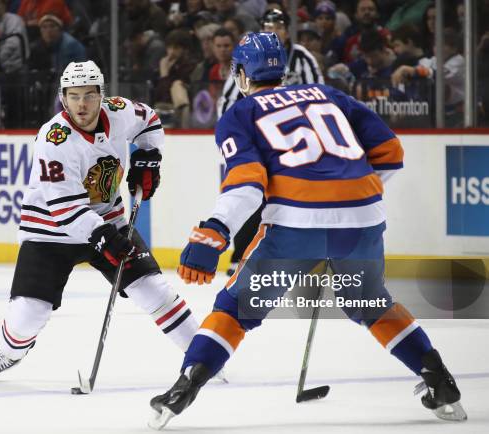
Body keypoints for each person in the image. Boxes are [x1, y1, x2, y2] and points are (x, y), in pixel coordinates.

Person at [148, 32, 467, 429]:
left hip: (297, 226)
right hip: (363, 218)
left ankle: (185, 386)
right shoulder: (328, 94)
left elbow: (247, 186)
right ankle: (439, 378)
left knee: (234, 309)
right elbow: (391, 153)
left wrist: (216, 230)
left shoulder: (239, 114)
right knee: (370, 302)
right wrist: (347, 193)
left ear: (243, 74)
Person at [0, 61, 200, 380]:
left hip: (109, 221)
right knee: (27, 316)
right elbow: (65, 208)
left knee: (153, 289)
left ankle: (205, 356)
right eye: (74, 96)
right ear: (63, 98)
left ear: (101, 95)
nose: (82, 104)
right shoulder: (54, 139)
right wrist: (102, 235)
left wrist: (149, 156)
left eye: (89, 96)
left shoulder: (119, 112)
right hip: (49, 232)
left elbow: (149, 120)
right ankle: (10, 353)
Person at [218, 8, 324, 277]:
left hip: (293, 141)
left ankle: (297, 254)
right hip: (256, 140)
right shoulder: (249, 61)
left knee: (288, 197)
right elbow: (229, 103)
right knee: (250, 194)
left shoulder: (302, 58)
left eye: (278, 24)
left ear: (288, 29)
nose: (273, 29)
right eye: (268, 24)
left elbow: (318, 96)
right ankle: (241, 254)